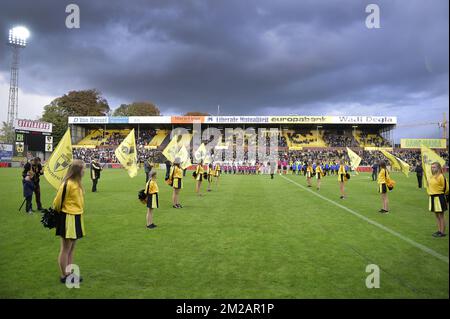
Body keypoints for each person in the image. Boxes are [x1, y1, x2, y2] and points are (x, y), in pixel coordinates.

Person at [53, 159, 86, 284]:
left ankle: (69, 273)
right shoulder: (67, 184)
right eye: (83, 169)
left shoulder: (77, 183)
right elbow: (56, 203)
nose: (85, 171)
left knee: (71, 248)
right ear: (77, 171)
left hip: (76, 217)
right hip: (68, 218)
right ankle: (64, 275)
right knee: (66, 248)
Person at [427, 162, 449, 237]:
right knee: (436, 215)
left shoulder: (441, 176)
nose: (432, 168)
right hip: (432, 197)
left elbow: (446, 188)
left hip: (439, 197)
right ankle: (439, 230)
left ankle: (442, 232)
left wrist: (445, 197)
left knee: (441, 215)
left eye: (434, 167)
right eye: (432, 167)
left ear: (438, 168)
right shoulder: (431, 177)